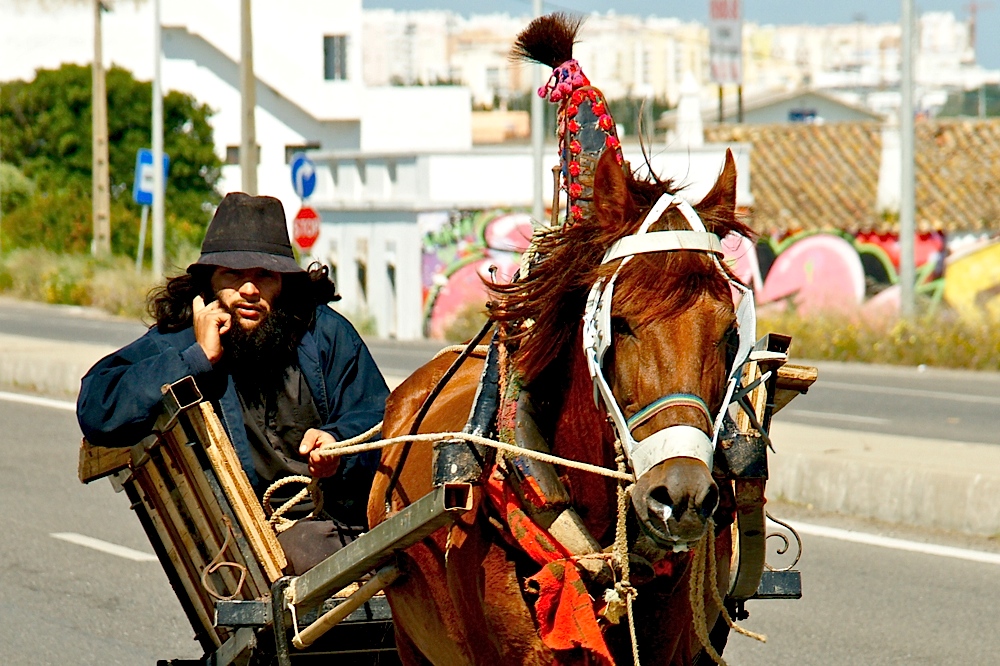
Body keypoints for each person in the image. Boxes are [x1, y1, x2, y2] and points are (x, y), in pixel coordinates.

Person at [77, 192, 389, 573]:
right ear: (208, 284)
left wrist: (340, 445)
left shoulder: (324, 333)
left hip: (346, 517)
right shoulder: (180, 342)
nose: (249, 290)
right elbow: (98, 407)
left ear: (283, 283)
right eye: (234, 275)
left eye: (264, 276)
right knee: (312, 552)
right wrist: (195, 360)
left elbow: (379, 420)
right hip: (255, 541)